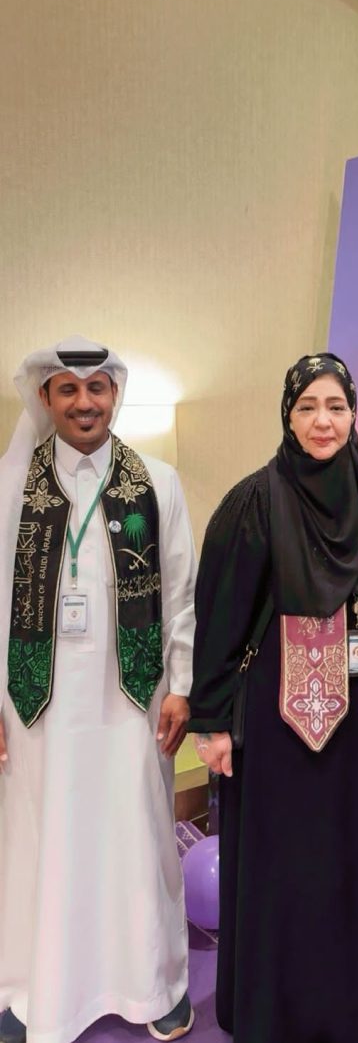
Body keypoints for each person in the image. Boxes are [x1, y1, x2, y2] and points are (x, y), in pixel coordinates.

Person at [189, 353, 358, 1043]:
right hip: (282, 729)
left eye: (335, 406)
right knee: (294, 868)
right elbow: (220, 618)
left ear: (353, 413)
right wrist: (212, 723)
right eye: (307, 407)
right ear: (287, 415)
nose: (322, 421)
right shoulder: (254, 501)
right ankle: (287, 1014)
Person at [0, 336, 197, 1043]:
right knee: (39, 836)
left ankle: (153, 984)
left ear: (115, 395)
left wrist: (181, 686)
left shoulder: (158, 483)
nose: (84, 402)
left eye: (97, 387)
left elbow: (181, 594)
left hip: (132, 700)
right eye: (68, 389)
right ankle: (33, 987)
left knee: (135, 834)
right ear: (46, 398)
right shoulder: (9, 487)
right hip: (37, 707)